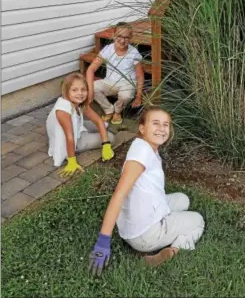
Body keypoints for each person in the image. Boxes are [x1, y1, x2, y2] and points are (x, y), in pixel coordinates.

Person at [89, 106, 205, 275]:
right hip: (144, 235)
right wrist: (103, 241)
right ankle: (172, 251)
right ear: (142, 128)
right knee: (198, 220)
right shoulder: (142, 154)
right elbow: (119, 194)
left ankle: (160, 229)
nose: (162, 129)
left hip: (138, 224)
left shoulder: (143, 145)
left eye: (166, 124)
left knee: (183, 199)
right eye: (155, 123)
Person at [46, 73, 115, 177]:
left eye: (83, 89)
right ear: (66, 91)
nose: (80, 93)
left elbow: (98, 121)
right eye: (74, 90)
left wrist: (105, 144)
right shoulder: (63, 110)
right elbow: (69, 137)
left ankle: (100, 138)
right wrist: (72, 161)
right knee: (111, 137)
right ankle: (80, 147)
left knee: (104, 125)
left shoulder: (79, 103)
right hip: (73, 141)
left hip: (76, 127)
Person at [86, 22, 144, 125]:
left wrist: (139, 96)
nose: (122, 40)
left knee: (126, 95)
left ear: (131, 37)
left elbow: (140, 75)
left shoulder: (134, 53)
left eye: (126, 37)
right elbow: (91, 69)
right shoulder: (108, 49)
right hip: (110, 81)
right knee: (93, 87)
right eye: (119, 36)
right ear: (114, 35)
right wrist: (90, 92)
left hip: (127, 83)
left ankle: (117, 111)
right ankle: (109, 109)